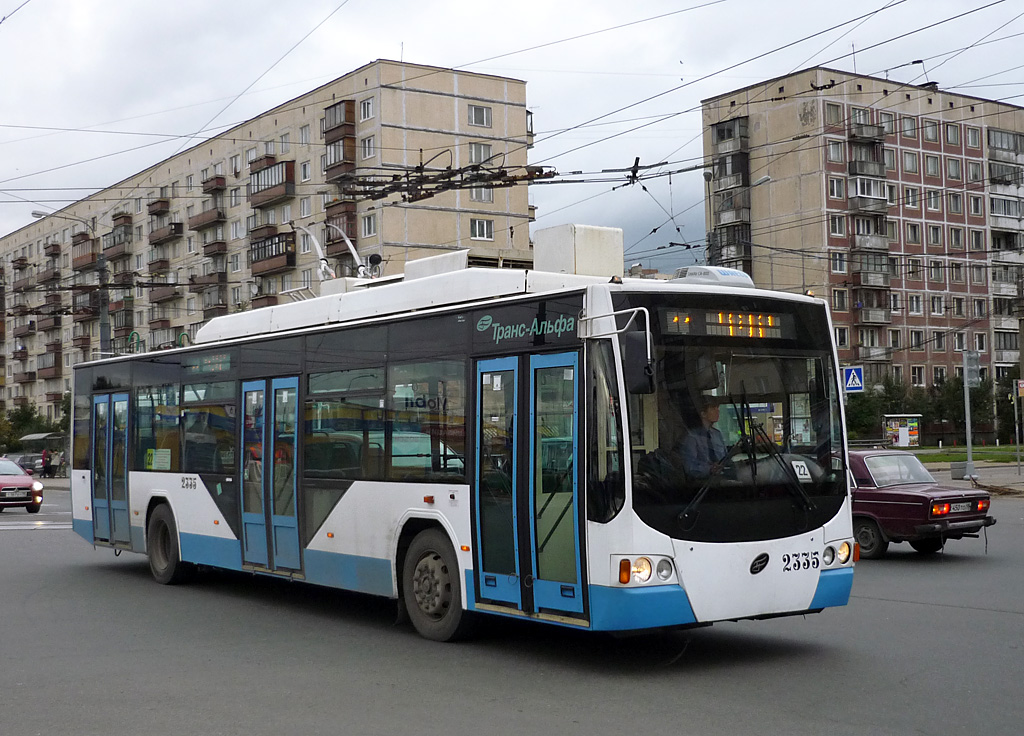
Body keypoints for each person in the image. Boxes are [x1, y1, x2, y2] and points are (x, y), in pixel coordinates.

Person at [679, 397, 729, 479]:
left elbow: (725, 458)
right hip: (703, 483)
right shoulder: (691, 437)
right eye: (713, 408)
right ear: (703, 414)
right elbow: (689, 466)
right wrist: (710, 469)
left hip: (722, 477)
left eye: (718, 408)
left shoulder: (717, 434)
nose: (718, 411)